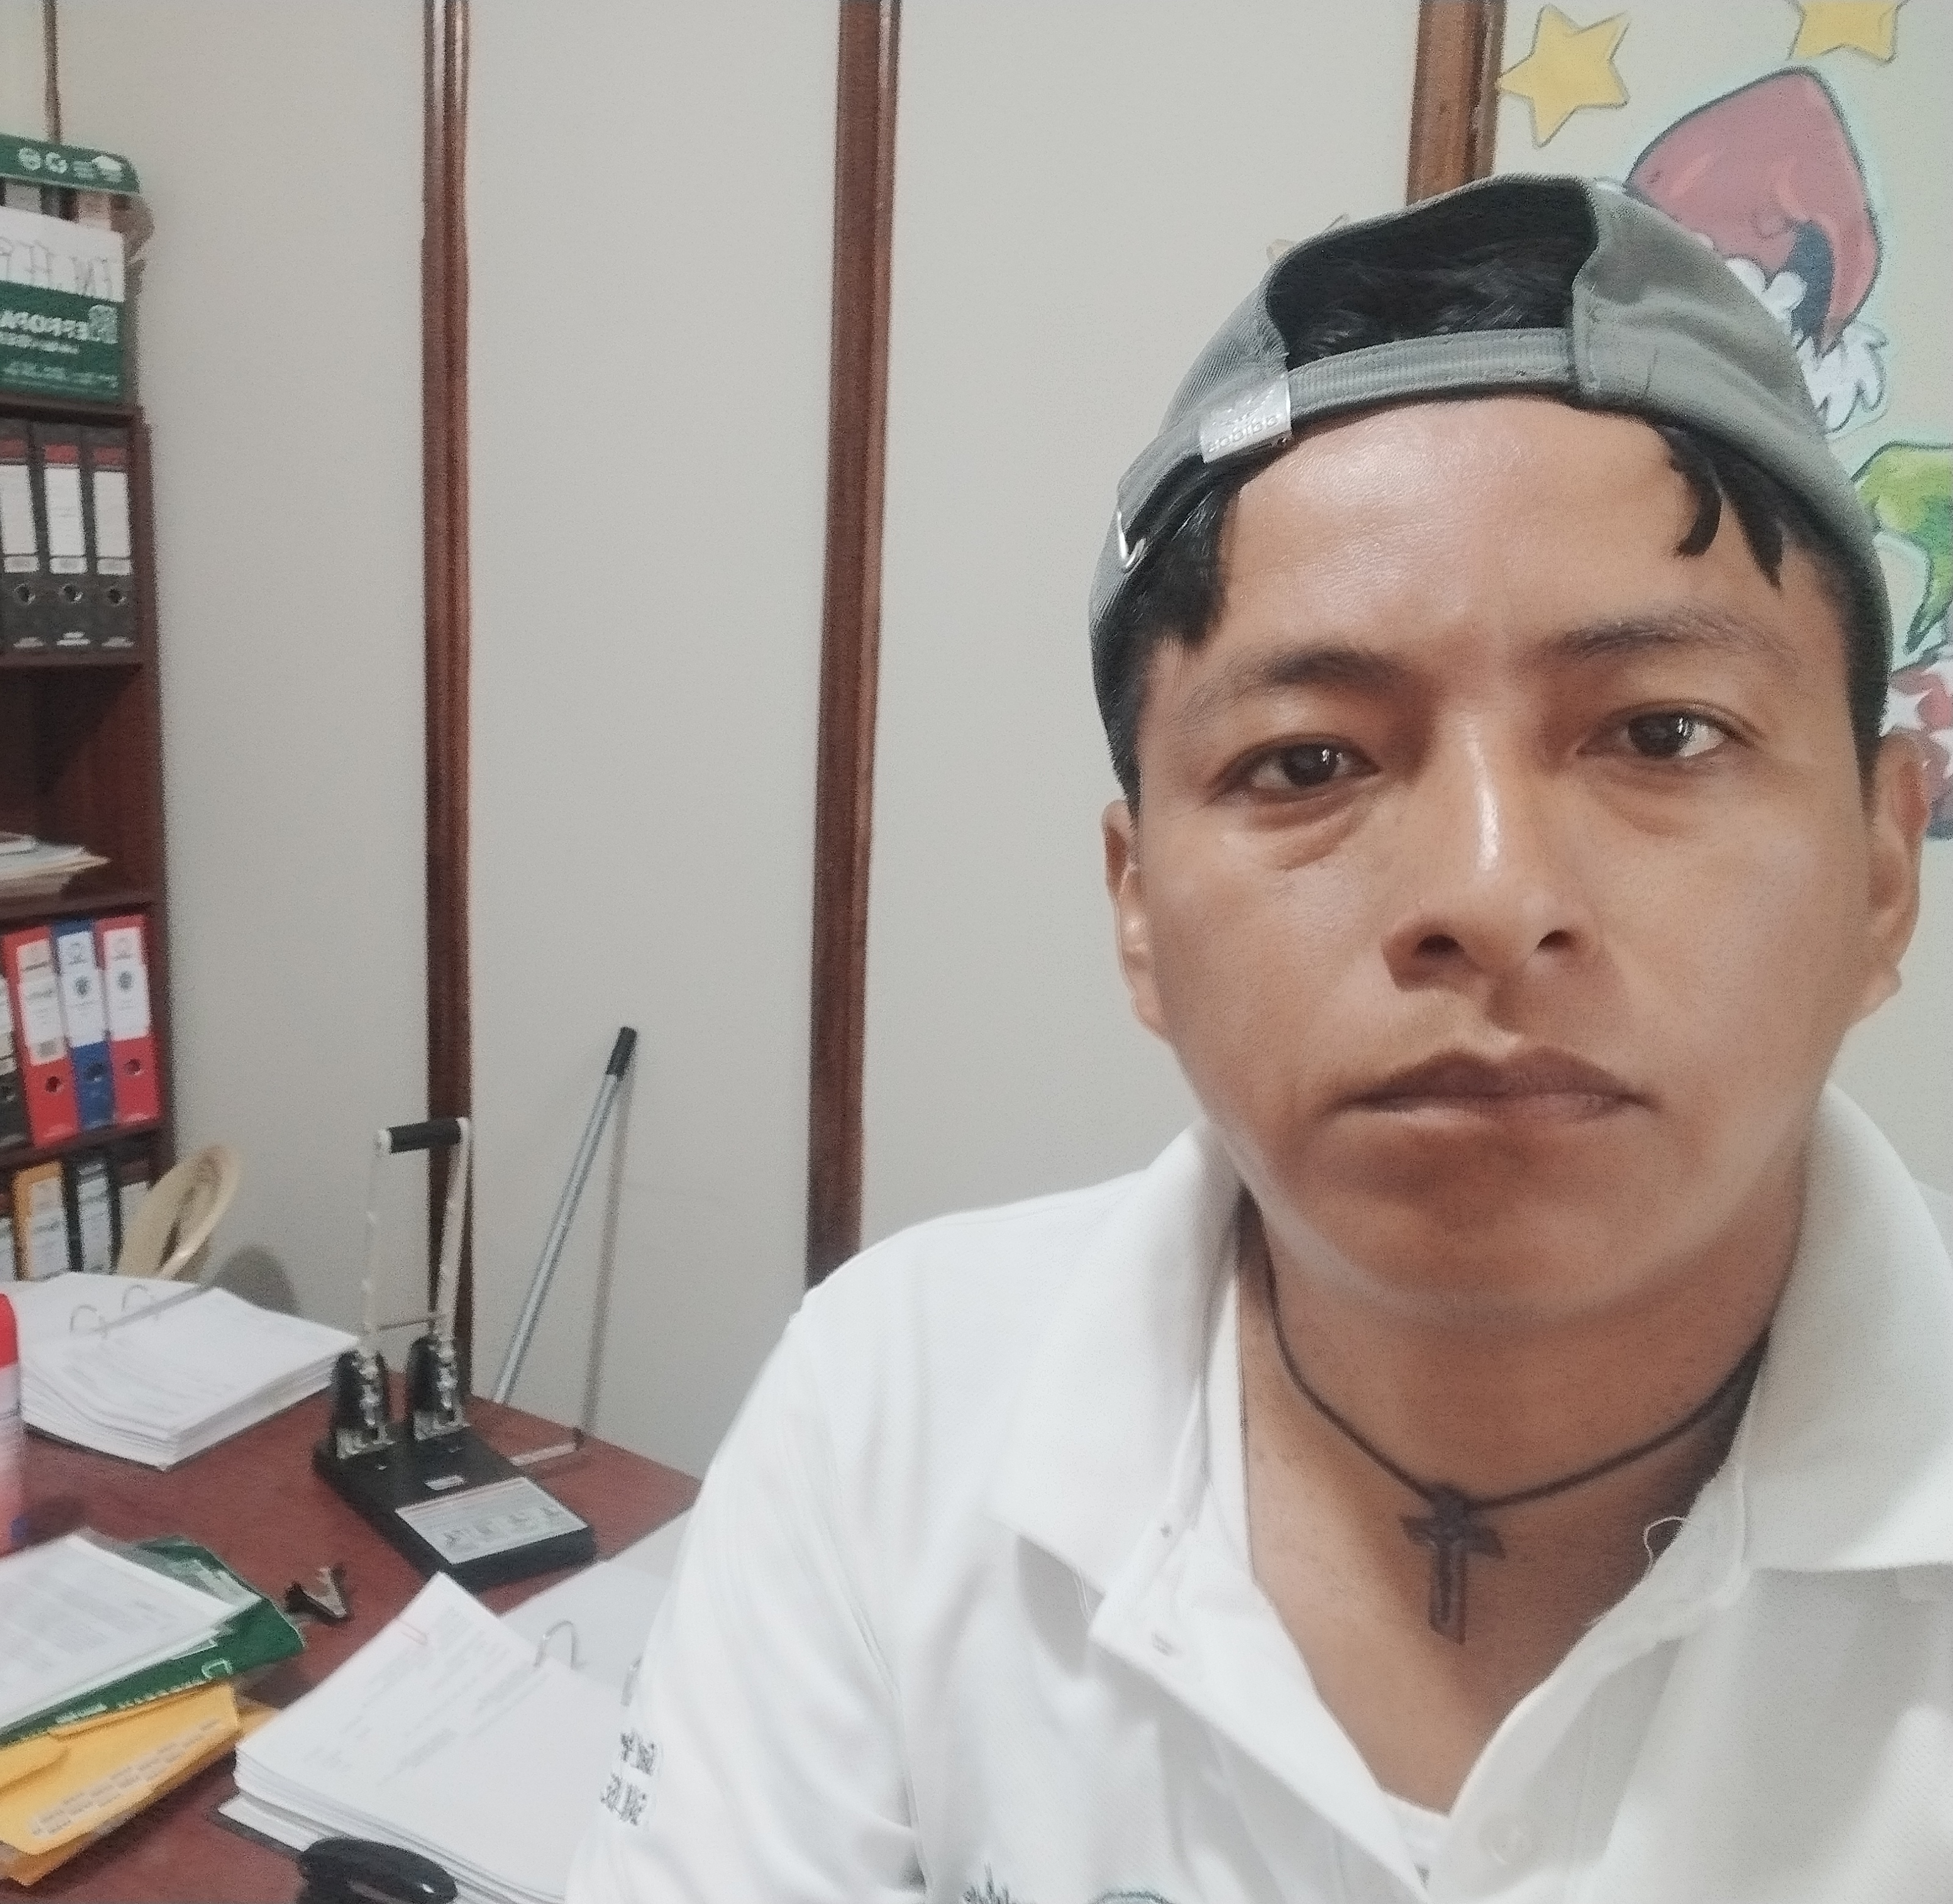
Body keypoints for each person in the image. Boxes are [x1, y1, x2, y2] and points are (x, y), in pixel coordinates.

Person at [568, 176, 1946, 1902]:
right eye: (1306, 762)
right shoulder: (891, 1409)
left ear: (1882, 870)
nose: (1488, 892)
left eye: (1663, 732)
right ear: (1137, 907)